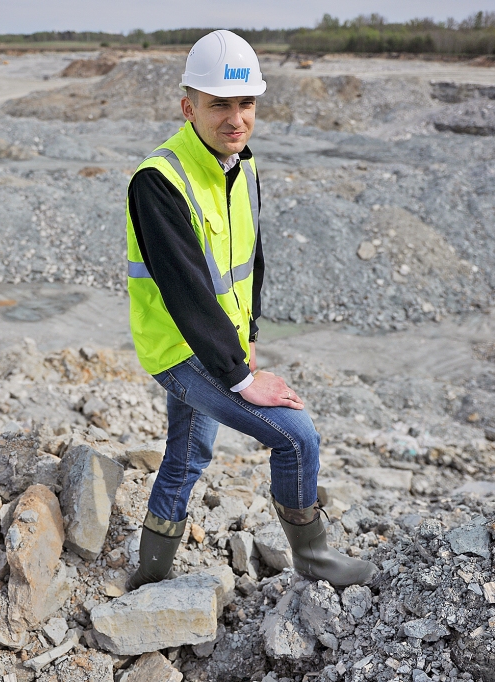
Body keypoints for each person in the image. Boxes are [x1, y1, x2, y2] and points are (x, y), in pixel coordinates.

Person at [124, 30, 377, 590]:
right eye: (220, 104)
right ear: (189, 107)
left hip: (220, 340)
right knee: (295, 435)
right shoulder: (159, 182)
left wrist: (250, 334)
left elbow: (249, 261)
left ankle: (150, 571)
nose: (235, 118)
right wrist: (242, 377)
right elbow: (187, 292)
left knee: (188, 452)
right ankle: (313, 557)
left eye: (246, 103)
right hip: (180, 348)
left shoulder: (242, 164)